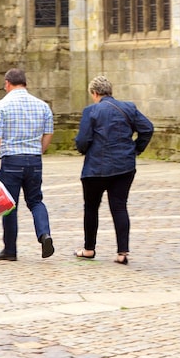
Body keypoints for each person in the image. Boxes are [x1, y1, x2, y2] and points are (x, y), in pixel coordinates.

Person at [73, 76, 154, 265]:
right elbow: (147, 128)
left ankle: (89, 248)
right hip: (124, 166)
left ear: (94, 93)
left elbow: (82, 140)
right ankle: (122, 252)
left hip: (95, 168)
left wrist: (84, 150)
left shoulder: (91, 111)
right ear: (110, 91)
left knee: (91, 207)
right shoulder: (129, 108)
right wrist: (135, 149)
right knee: (119, 206)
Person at [0, 68, 56, 261]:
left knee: (9, 205)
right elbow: (48, 133)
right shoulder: (42, 106)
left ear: (7, 83)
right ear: (25, 83)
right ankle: (44, 235)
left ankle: (10, 250)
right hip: (34, 159)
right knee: (35, 201)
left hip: (12, 161)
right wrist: (39, 151)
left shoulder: (1, 105)